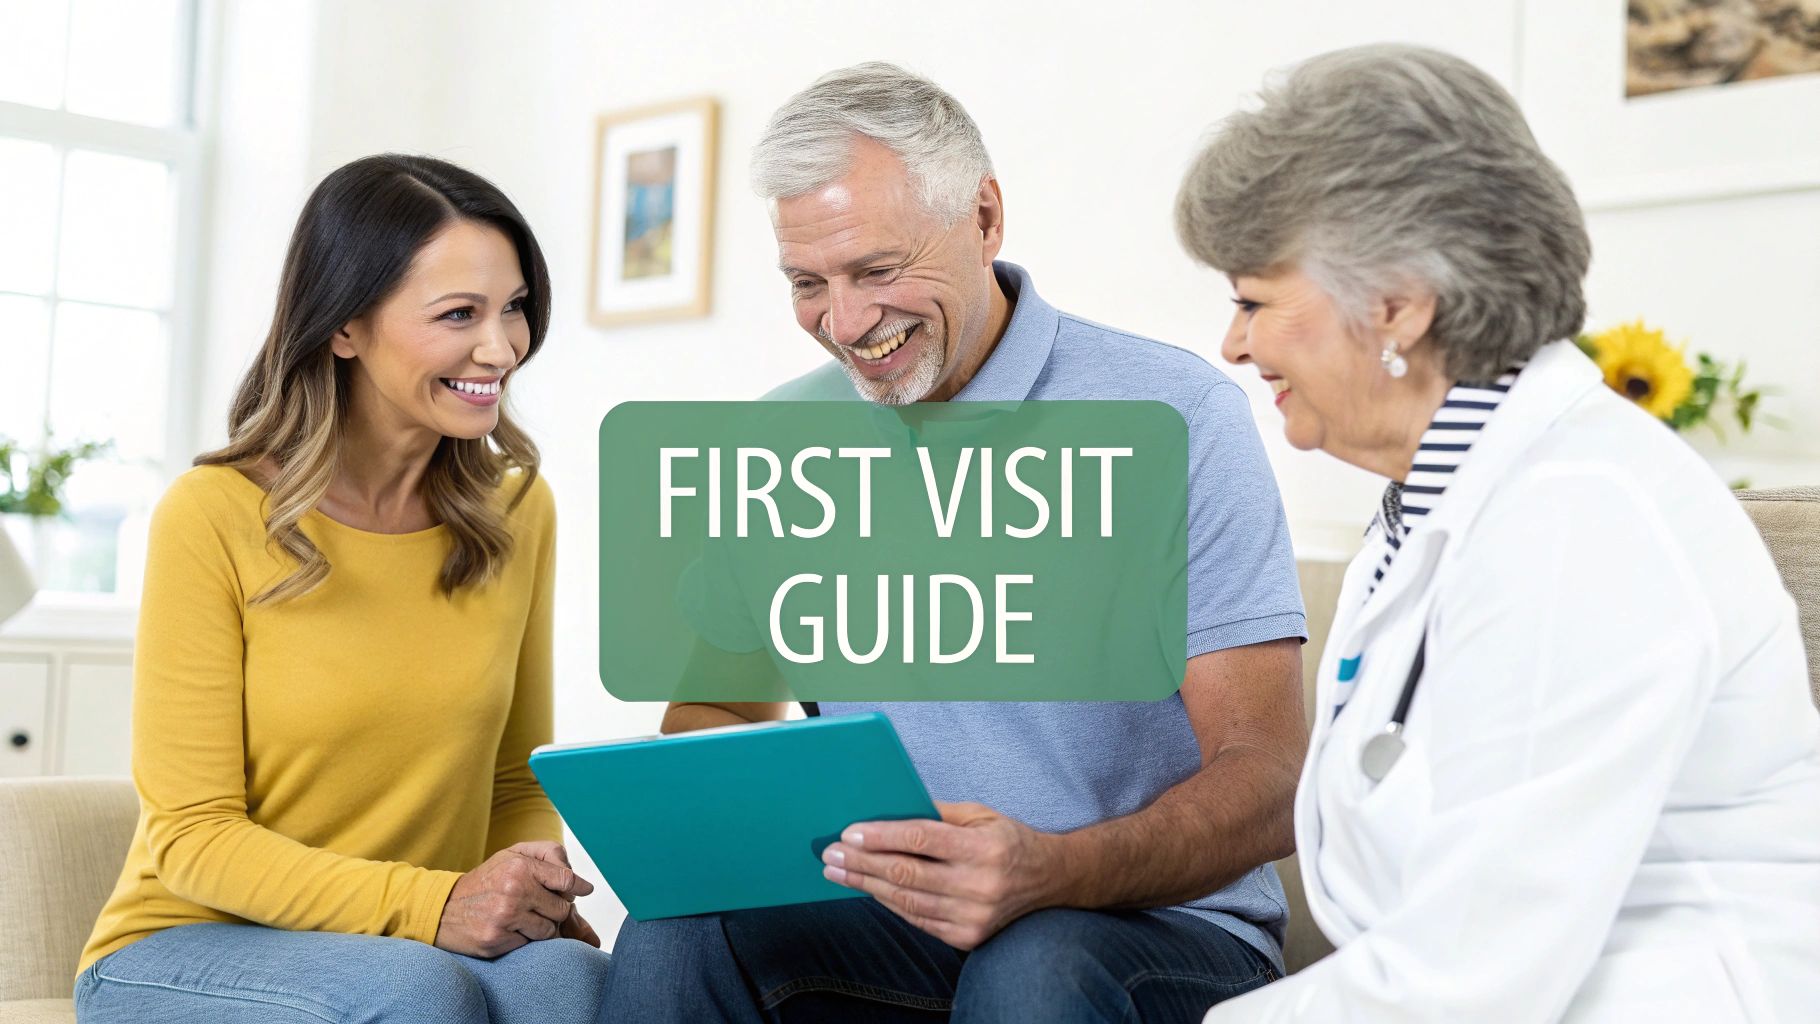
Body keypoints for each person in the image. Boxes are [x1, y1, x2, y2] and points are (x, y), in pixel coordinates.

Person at [601, 63, 1309, 1023]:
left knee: (1037, 959)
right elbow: (713, 704)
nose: (845, 324)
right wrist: (746, 809)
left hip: (1152, 928)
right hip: (897, 920)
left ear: (983, 218)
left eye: (878, 270)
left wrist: (1053, 868)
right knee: (677, 927)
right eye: (808, 283)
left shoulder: (1173, 417)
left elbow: (1268, 779)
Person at [1174, 44, 1820, 1022]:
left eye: (1253, 302)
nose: (1232, 345)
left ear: (1393, 303)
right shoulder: (1441, 505)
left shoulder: (1580, 519)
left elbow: (1465, 978)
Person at [75, 154, 613, 1024]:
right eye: (458, 315)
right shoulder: (214, 516)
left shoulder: (517, 509)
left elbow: (516, 779)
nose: (501, 347)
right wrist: (434, 908)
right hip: (186, 948)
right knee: (416, 994)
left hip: (410, 945)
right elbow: (193, 837)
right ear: (344, 328)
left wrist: (531, 903)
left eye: (514, 307)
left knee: (575, 983)